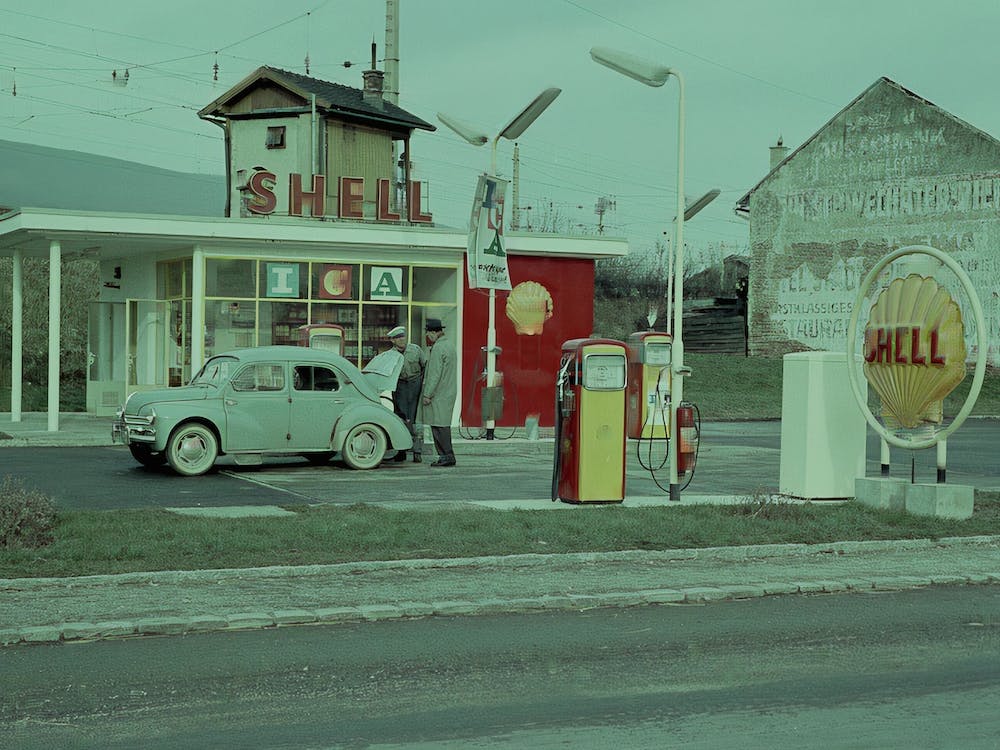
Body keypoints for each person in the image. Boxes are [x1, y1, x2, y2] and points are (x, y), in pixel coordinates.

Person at [420, 318, 458, 467]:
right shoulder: (449, 345)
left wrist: (427, 394)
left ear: (434, 332)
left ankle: (446, 456)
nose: (428, 337)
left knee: (439, 427)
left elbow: (434, 374)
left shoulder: (438, 348)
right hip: (447, 391)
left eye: (429, 333)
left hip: (439, 394)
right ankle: (447, 455)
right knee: (443, 425)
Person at [387, 325, 426, 463]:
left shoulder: (415, 350)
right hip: (400, 386)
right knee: (400, 420)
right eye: (398, 338)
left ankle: (417, 452)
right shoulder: (390, 355)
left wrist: (423, 385)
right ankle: (401, 451)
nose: (402, 339)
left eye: (403, 336)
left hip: (415, 385)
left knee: (416, 420)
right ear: (392, 340)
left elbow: (425, 367)